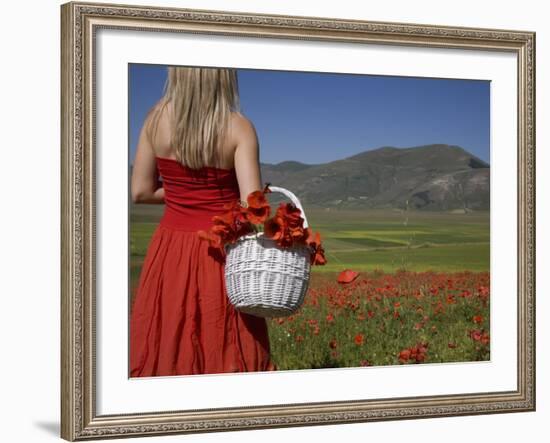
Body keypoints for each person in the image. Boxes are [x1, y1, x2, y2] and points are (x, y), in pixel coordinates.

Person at [129, 66, 277, 377]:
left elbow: (140, 191)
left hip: (170, 251)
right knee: (225, 340)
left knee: (168, 336)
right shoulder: (239, 128)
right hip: (221, 253)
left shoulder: (155, 120)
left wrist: (186, 191)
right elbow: (252, 207)